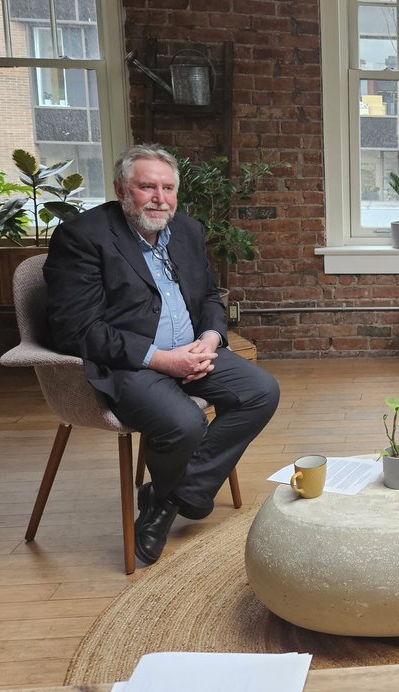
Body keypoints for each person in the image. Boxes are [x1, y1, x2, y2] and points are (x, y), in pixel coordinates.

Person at [44, 144, 279, 565]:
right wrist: (160, 359)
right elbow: (73, 329)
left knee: (260, 391)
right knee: (183, 422)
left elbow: (208, 295)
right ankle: (175, 499)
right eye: (146, 186)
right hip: (131, 362)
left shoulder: (186, 230)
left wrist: (210, 337)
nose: (160, 198)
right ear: (121, 189)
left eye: (168, 187)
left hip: (194, 350)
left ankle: (165, 499)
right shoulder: (82, 237)